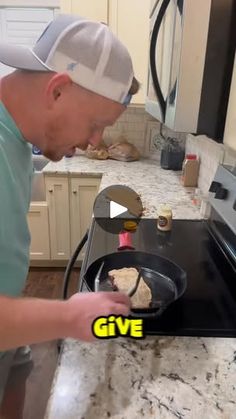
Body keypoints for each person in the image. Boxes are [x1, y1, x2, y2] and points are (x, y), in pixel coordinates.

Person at [0, 13, 139, 401]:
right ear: (57, 90)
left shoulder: (17, 135)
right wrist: (68, 316)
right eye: (96, 124)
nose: (95, 141)